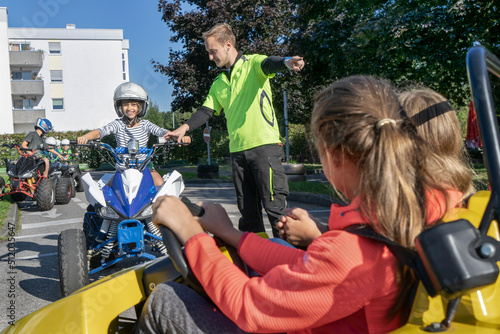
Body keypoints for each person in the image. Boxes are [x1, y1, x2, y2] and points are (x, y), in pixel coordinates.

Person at [136, 76, 463, 333]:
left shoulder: (355, 251)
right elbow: (313, 261)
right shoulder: (426, 210)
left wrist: (191, 232)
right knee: (269, 249)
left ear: (333, 156)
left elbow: (250, 307)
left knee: (167, 300)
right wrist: (230, 235)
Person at [277, 87, 476, 248]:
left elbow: (377, 260)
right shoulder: (460, 197)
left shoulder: (407, 201)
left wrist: (317, 238)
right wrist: (321, 230)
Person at [166, 23, 305, 238]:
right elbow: (206, 110)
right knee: (248, 215)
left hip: (264, 148)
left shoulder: (252, 64)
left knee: (275, 209)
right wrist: (183, 128)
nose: (210, 57)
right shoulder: (219, 82)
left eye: (213, 51)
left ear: (228, 45)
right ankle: (257, 261)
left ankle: (288, 260)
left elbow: (270, 64)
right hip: (238, 152)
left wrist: (287, 62)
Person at [77, 82, 190, 187]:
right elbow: (100, 132)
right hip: (123, 168)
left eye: (134, 104)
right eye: (126, 104)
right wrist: (86, 137)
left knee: (159, 184)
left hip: (145, 166)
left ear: (140, 106)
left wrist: (178, 137)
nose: (130, 108)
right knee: (107, 192)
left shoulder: (146, 124)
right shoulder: (117, 124)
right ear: (120, 106)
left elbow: (163, 132)